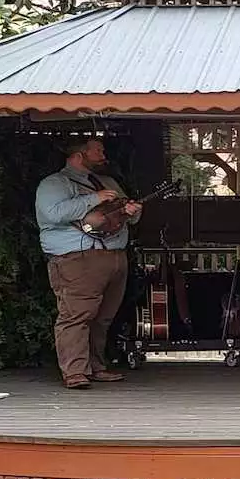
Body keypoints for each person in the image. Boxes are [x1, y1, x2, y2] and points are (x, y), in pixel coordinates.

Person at [35, 137, 142, 389]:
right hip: (77, 257)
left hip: (114, 255)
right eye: (98, 150)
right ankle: (74, 372)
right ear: (80, 155)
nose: (104, 154)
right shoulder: (54, 183)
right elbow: (53, 214)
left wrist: (132, 212)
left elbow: (125, 218)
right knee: (76, 315)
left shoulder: (108, 182)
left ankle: (96, 366)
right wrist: (94, 199)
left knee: (103, 317)